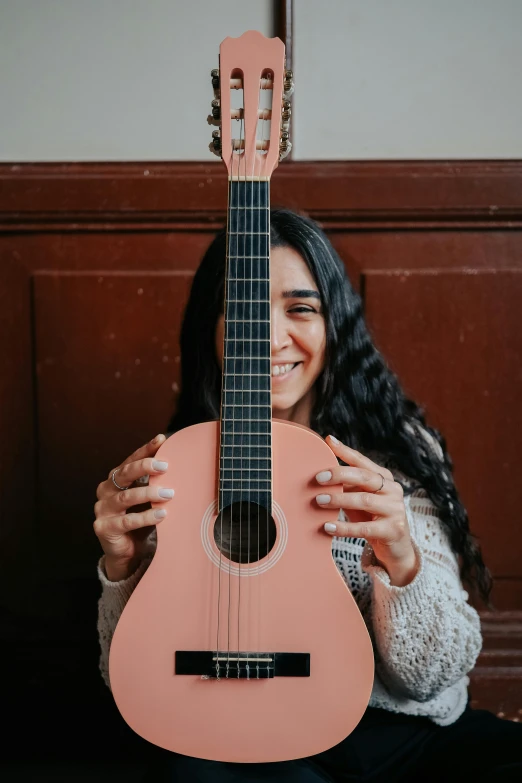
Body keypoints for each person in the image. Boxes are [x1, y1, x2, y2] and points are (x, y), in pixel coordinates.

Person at [94, 209, 521, 782]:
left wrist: (401, 561)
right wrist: (122, 568)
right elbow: (136, 678)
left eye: (301, 308)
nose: (269, 338)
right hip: (239, 728)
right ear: (211, 328)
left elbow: (432, 674)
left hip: (392, 734)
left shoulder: (395, 455)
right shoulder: (179, 463)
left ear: (335, 325)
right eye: (242, 311)